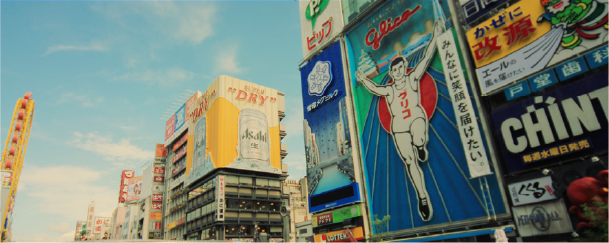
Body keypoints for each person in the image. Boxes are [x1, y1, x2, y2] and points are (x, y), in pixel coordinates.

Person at [355, 18, 444, 221]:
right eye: (394, 71)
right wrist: (362, 79)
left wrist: (436, 35)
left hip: (416, 117)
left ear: (404, 69)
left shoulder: (413, 79)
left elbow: (426, 57)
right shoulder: (389, 89)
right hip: (399, 127)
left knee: (419, 136)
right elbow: (374, 88)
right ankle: (422, 197)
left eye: (400, 69)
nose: (398, 72)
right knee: (409, 161)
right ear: (392, 74)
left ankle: (421, 145)